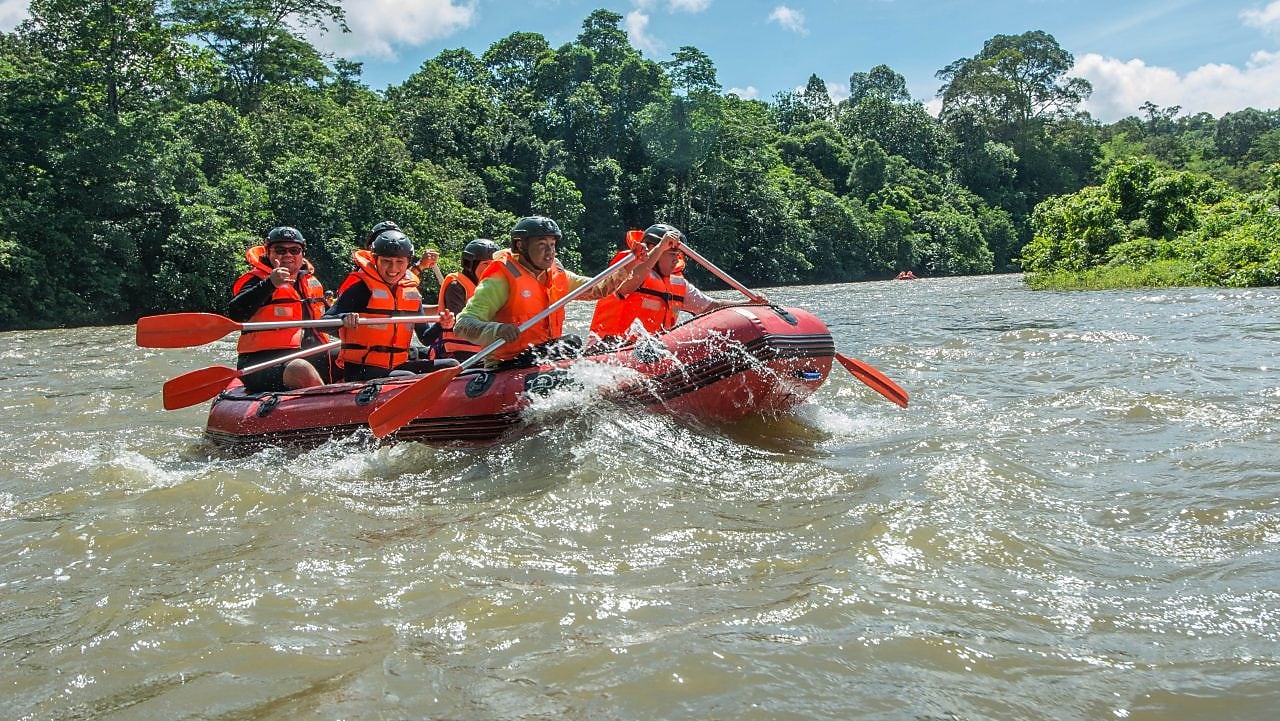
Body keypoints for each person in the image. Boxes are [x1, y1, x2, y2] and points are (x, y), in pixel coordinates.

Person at [453, 215, 654, 367]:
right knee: (570, 343)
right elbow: (462, 324)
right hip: (507, 363)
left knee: (572, 344)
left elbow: (598, 289)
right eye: (541, 245)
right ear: (520, 246)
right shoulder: (501, 279)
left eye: (552, 244)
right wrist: (498, 330)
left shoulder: (558, 275)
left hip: (542, 357)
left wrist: (630, 265)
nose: (549, 252)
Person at [323, 228, 458, 382]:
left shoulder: (410, 293)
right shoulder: (362, 288)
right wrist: (343, 318)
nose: (393, 269)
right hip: (362, 369)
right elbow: (322, 323)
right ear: (375, 260)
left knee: (451, 365)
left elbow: (425, 338)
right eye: (386, 261)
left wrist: (442, 325)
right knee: (408, 378)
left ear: (408, 262)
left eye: (399, 262)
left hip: (397, 365)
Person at [589, 223, 755, 345]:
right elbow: (625, 289)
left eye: (678, 253)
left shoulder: (677, 282)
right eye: (671, 253)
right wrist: (661, 247)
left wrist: (749, 304)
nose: (676, 258)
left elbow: (711, 305)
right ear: (652, 249)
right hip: (609, 348)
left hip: (649, 352)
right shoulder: (629, 267)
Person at [227, 226, 334, 392]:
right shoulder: (256, 281)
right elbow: (235, 313)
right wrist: (270, 284)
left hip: (309, 356)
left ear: (302, 253)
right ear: (268, 253)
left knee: (347, 354)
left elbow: (329, 319)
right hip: (263, 363)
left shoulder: (309, 282)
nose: (288, 255)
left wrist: (348, 317)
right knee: (300, 368)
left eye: (294, 250)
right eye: (280, 250)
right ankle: (331, 411)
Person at [436, 238, 499, 360]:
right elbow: (461, 324)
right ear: (470, 265)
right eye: (485, 264)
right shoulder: (456, 286)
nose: (490, 268)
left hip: (484, 351)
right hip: (457, 354)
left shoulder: (490, 287)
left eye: (493, 264)